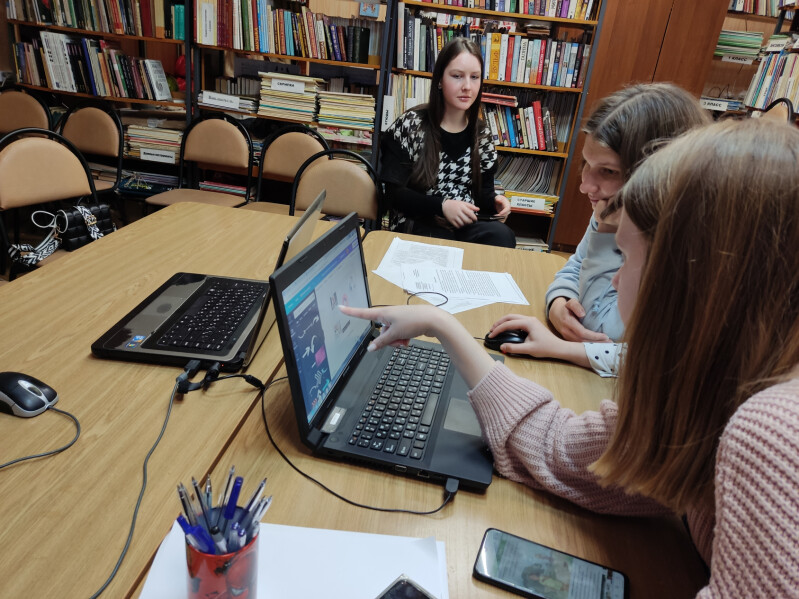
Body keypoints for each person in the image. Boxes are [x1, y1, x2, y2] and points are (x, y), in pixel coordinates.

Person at [341, 118, 799, 596]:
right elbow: (566, 450)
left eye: (627, 259)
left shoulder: (774, 437)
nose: (614, 281)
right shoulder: (715, 387)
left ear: (691, 282)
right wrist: (443, 325)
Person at [524, 84, 709, 357]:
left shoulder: (685, 244)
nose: (585, 186)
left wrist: (564, 349)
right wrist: (558, 303)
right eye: (586, 164)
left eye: (608, 171)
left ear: (657, 174)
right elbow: (576, 267)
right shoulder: (614, 206)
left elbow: (606, 329)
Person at [380, 37, 516, 248]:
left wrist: (495, 201)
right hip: (417, 221)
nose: (467, 86)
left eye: (475, 77)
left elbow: (483, 194)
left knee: (502, 235)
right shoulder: (411, 125)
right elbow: (393, 194)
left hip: (463, 225)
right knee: (443, 244)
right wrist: (442, 206)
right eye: (457, 76)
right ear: (440, 80)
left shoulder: (482, 134)